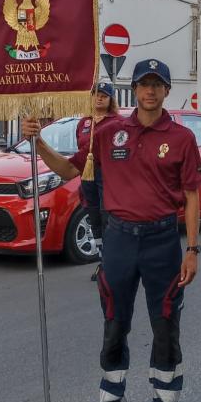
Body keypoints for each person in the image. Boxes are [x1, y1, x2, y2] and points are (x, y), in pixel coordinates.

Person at [21, 59, 201, 402]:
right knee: (115, 324)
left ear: (167, 90)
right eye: (143, 84)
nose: (149, 91)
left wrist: (192, 250)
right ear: (133, 90)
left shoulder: (183, 138)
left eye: (157, 84)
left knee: (165, 326)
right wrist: (38, 142)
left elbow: (191, 196)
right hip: (119, 241)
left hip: (162, 243)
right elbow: (72, 173)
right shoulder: (108, 133)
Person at [76, 82, 120, 280]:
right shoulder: (84, 123)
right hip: (88, 176)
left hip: (108, 176)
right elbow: (80, 150)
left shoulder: (117, 122)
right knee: (93, 217)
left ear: (111, 100)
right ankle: (102, 261)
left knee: (106, 219)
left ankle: (111, 263)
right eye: (96, 94)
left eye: (104, 95)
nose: (99, 98)